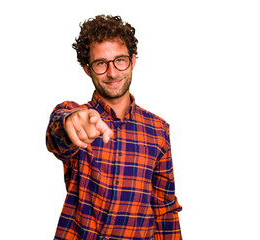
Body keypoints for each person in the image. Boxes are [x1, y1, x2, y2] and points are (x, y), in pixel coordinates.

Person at [46, 15, 182, 240]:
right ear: (87, 69)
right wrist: (71, 121)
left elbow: (165, 209)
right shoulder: (80, 118)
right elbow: (57, 135)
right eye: (101, 63)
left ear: (133, 61)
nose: (112, 72)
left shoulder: (158, 130)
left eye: (120, 60)